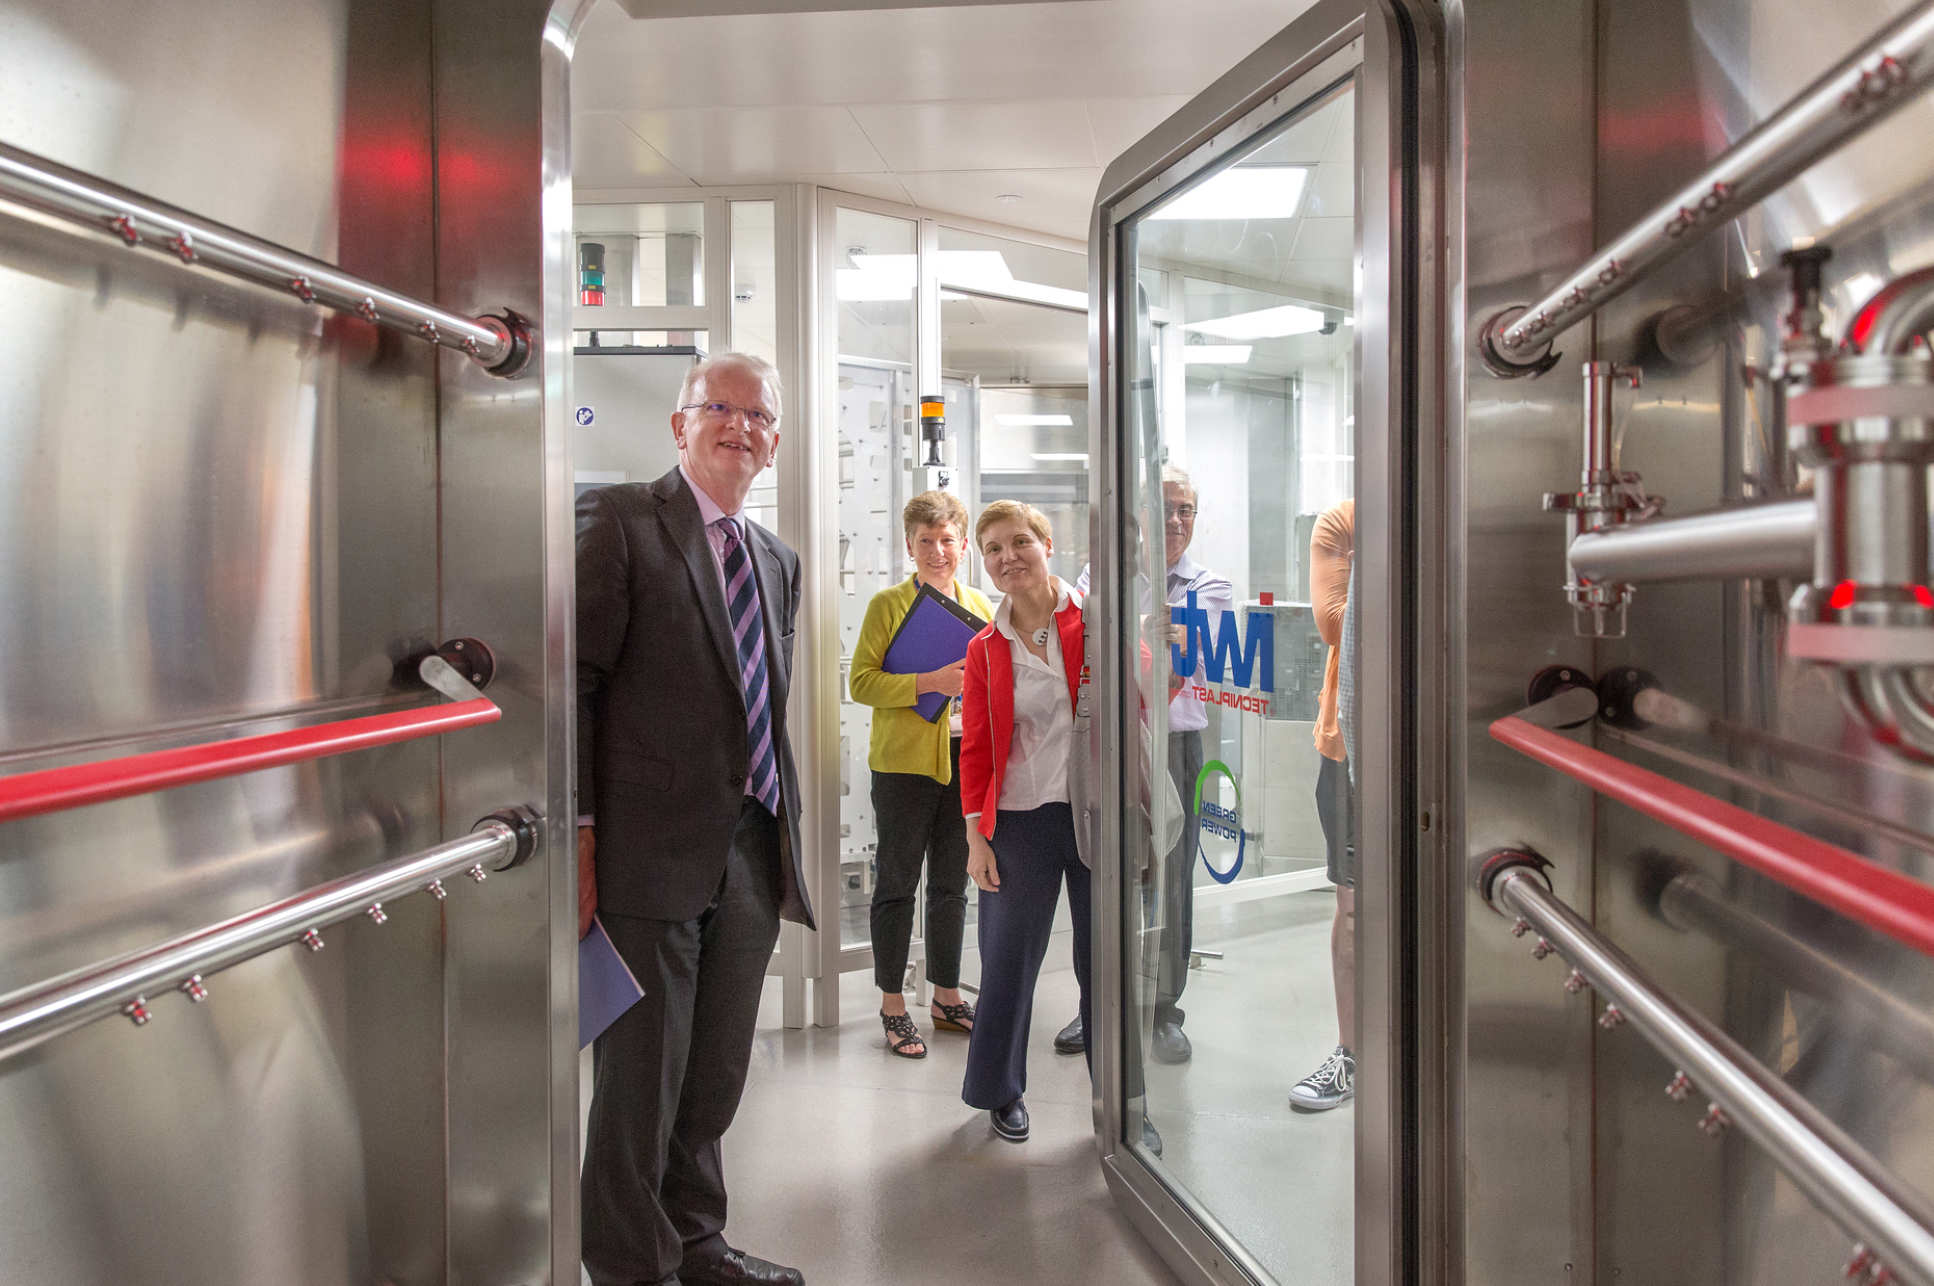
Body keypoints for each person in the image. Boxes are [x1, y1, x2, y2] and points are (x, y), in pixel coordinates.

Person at [576, 352, 812, 1286]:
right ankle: (634, 1268)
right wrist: (583, 834)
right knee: (641, 1084)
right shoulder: (623, 522)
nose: (738, 427)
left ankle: (698, 1244)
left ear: (775, 443)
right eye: (718, 407)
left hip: (751, 850)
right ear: (680, 425)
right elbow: (577, 690)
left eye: (757, 416)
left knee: (713, 1074)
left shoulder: (777, 562)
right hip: (644, 857)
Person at [1056, 466, 1232, 1064]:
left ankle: (1162, 1011)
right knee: (1104, 877)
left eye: (1186, 509)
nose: (1177, 521)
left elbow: (1183, 662)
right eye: (1164, 510)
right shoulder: (1096, 578)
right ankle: (1097, 1008)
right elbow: (1082, 643)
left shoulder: (1207, 586)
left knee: (1170, 878)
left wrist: (1129, 629)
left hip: (1173, 745)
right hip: (1111, 739)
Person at [958, 500, 1091, 1143]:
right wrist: (976, 836)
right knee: (1008, 959)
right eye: (992, 550)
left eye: (1019, 543)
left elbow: (1146, 696)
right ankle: (998, 1092)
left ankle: (1120, 1097)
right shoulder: (986, 646)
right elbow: (977, 746)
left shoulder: (1095, 621)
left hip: (1094, 814)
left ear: (1047, 545)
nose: (1007, 558)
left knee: (1105, 958)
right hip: (1017, 820)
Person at [848, 490, 995, 1059]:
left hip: (965, 767)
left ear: (962, 545)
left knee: (951, 887)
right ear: (909, 546)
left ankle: (946, 996)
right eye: (926, 541)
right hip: (903, 769)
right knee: (896, 885)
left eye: (947, 540)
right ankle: (892, 1005)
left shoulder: (981, 606)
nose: (938, 550)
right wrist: (930, 682)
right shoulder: (889, 605)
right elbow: (860, 683)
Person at [1290, 497, 1356, 1112]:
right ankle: (1353, 1053)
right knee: (1357, 911)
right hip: (1348, 751)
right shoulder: (1342, 523)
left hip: (1443, 753)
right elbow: (1336, 623)